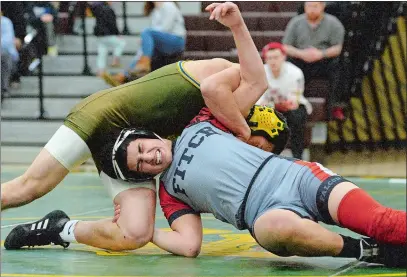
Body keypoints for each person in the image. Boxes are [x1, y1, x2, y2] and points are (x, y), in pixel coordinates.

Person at [2, 2, 269, 252]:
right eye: (257, 146)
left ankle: (60, 229)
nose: (248, 149)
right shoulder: (231, 83)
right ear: (257, 123)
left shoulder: (226, 121)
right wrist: (242, 134)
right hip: (102, 117)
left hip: (133, 152)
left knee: (135, 232)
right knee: (28, 188)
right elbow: (247, 83)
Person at [282, 1, 346, 120]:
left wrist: (321, 54)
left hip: (324, 60)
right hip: (300, 59)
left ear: (322, 6)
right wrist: (301, 54)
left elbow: (338, 48)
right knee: (288, 65)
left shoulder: (334, 23)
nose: (311, 9)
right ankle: (292, 104)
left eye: (315, 6)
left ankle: (334, 107)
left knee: (341, 66)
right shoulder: (296, 22)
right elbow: (286, 46)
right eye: (309, 6)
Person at [105, 1, 187, 87]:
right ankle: (122, 76)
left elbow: (165, 28)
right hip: (163, 43)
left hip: (176, 41)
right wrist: (146, 41)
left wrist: (147, 37)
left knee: (146, 32)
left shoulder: (168, 5)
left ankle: (143, 65)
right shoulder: (155, 11)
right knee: (142, 51)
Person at [257, 42, 312, 159]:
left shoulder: (295, 72)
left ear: (283, 57)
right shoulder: (260, 72)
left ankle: (298, 157)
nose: (273, 61)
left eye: (276, 57)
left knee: (296, 117)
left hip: (292, 107)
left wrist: (281, 105)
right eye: (269, 58)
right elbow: (260, 100)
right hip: (270, 107)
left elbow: (294, 101)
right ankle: (265, 157)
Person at [89, 2, 126, 77]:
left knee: (102, 51)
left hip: (99, 34)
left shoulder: (97, 9)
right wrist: (117, 33)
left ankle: (100, 70)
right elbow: (112, 23)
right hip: (108, 33)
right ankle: (115, 60)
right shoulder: (108, 9)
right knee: (121, 43)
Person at [1, 14, 19, 100]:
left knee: (3, 55)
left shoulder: (5, 22)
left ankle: (3, 89)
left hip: (8, 55)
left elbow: (6, 42)